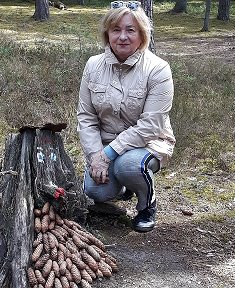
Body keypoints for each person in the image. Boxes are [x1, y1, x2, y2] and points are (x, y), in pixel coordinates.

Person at [77, 1, 175, 233]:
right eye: (116, 30)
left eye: (130, 30)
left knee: (128, 165)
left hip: (150, 143)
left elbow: (150, 127)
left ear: (142, 34)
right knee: (96, 191)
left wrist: (108, 154)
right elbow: (86, 117)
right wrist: (94, 156)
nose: (122, 37)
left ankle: (146, 205)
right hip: (105, 147)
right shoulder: (92, 65)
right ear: (107, 34)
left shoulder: (158, 69)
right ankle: (124, 188)